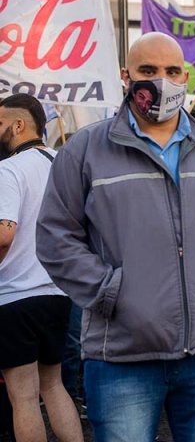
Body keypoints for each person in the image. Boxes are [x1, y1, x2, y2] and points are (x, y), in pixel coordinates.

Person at [36, 32, 195, 442]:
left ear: (185, 77)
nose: (161, 81)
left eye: (173, 71)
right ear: (127, 76)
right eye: (149, 71)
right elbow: (56, 236)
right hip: (121, 357)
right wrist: (110, 291)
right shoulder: (87, 149)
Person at [0, 94, 83, 442]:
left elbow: (4, 234)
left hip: (16, 295)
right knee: (53, 385)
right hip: (59, 293)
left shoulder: (8, 169)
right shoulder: (62, 163)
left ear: (19, 125)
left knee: (22, 397)